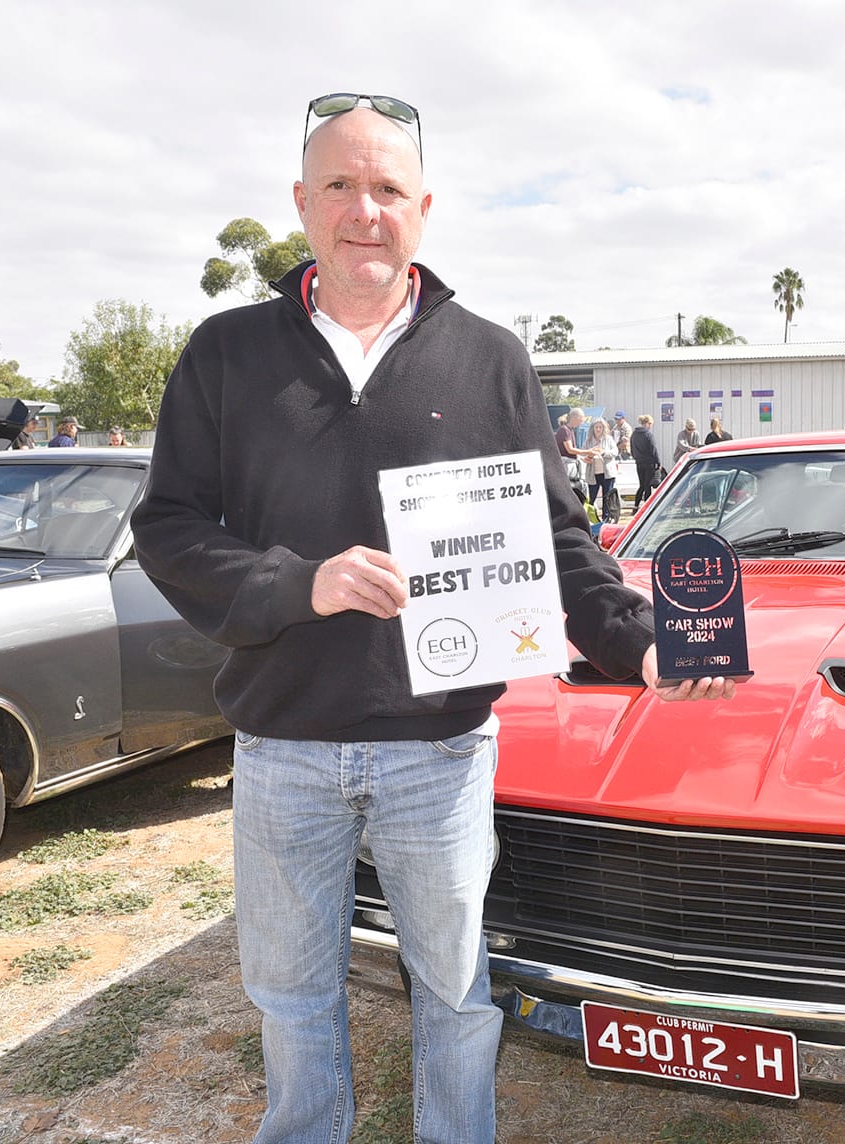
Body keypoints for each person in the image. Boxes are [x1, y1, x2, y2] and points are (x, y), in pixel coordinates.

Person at [130, 95, 734, 1144]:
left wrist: (640, 642)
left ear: (424, 207)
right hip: (283, 745)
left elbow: (556, 535)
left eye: (388, 189)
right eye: (339, 186)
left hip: (442, 747)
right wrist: (294, 583)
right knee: (289, 994)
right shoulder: (226, 352)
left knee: (455, 996)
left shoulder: (491, 357)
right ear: (301, 202)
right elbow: (167, 525)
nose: (364, 210)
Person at [585, 416, 618, 520]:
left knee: (607, 497)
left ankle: (606, 518)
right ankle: (591, 518)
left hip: (607, 473)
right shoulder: (589, 441)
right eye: (596, 427)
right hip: (593, 473)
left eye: (600, 427)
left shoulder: (608, 439)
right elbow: (582, 453)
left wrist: (604, 452)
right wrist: (587, 458)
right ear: (592, 428)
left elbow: (615, 452)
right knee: (592, 497)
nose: (598, 429)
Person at [630, 413, 662, 510]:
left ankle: (636, 505)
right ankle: (647, 507)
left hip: (639, 463)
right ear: (647, 423)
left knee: (641, 485)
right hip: (649, 463)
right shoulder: (648, 434)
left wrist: (636, 457)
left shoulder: (634, 434)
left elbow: (631, 448)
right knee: (647, 485)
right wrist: (658, 462)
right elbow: (653, 449)